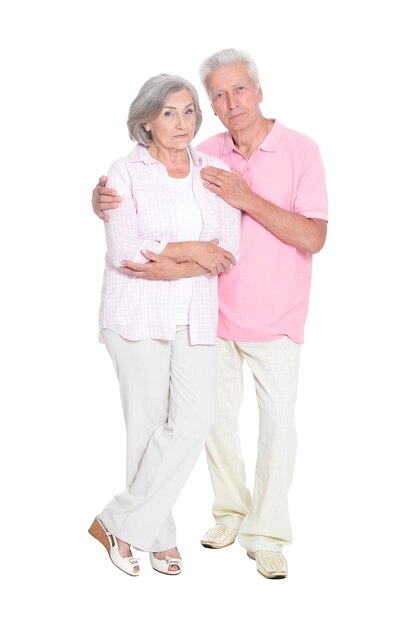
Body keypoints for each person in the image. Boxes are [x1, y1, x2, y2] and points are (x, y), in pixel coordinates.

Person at [92, 49, 328, 579]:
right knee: (190, 427)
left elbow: (304, 237)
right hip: (200, 314)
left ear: (258, 90)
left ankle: (260, 533)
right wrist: (104, 201)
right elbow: (134, 227)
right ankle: (196, 523)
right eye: (216, 96)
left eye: (238, 90)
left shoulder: (284, 153)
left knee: (267, 430)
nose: (228, 103)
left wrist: (236, 208)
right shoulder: (194, 156)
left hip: (272, 315)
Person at [88, 73, 240, 577]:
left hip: (195, 315)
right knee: (147, 426)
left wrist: (171, 259)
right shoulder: (123, 174)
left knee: (194, 421)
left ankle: (117, 522)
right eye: (169, 113)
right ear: (147, 122)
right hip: (135, 316)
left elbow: (228, 250)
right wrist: (195, 251)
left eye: (190, 111)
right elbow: (124, 251)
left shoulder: (213, 171)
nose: (182, 122)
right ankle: (158, 536)